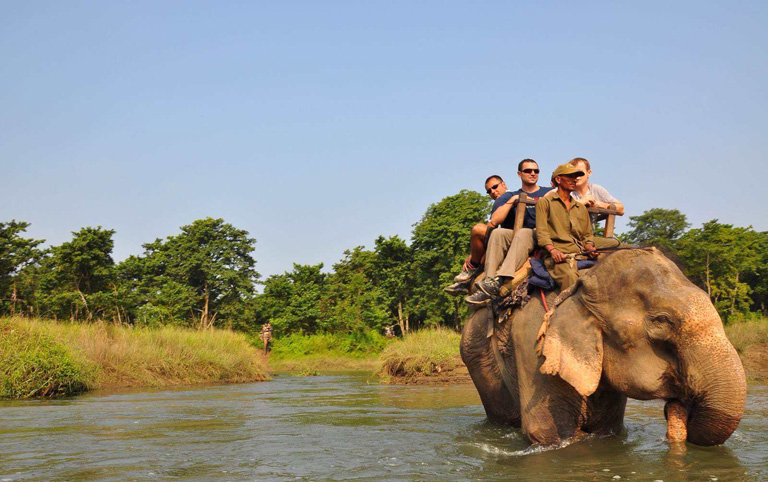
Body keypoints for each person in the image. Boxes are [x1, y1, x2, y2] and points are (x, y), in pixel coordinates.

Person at [465, 159, 553, 303]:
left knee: (523, 232)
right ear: (519, 174)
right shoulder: (510, 195)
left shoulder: (549, 192)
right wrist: (513, 200)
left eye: (536, 171)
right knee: (498, 233)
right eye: (528, 171)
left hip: (540, 234)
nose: (533, 173)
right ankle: (489, 281)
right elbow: (494, 221)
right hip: (519, 236)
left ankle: (501, 277)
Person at [535, 163, 600, 291]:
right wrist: (553, 251)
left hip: (580, 252)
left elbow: (587, 235)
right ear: (558, 179)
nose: (574, 180)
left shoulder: (580, 208)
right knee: (570, 276)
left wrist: (589, 246)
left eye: (575, 177)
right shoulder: (545, 202)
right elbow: (542, 233)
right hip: (560, 254)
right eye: (570, 177)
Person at [444, 174, 512, 294]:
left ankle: (471, 268)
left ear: (504, 184)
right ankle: (469, 279)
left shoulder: (505, 198)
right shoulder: (506, 199)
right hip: (506, 237)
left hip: (513, 239)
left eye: (495, 187)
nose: (493, 192)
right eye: (489, 191)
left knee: (478, 229)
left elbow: (492, 226)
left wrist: (472, 256)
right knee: (483, 254)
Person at [568, 157, 624, 225]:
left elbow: (621, 209)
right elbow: (557, 207)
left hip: (588, 231)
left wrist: (598, 204)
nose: (576, 176)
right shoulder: (564, 190)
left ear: (589, 173)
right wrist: (582, 202)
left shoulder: (596, 189)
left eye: (580, 172)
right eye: (573, 173)